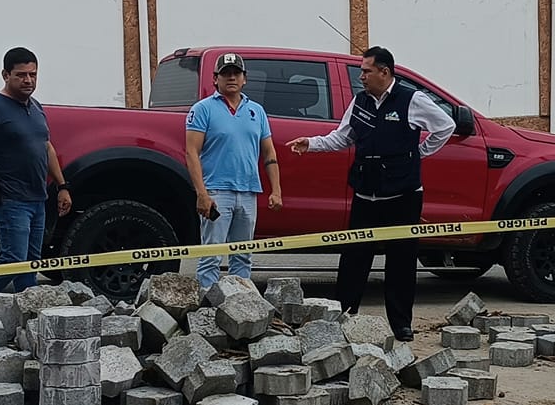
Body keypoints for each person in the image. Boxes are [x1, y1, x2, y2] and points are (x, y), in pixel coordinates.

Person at [288, 45, 454, 341]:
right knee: (354, 258)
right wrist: (311, 144)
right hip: (366, 194)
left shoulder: (411, 99)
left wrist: (418, 153)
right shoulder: (360, 101)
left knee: (401, 262)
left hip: (403, 196)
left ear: (384, 72)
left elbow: (445, 126)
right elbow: (342, 137)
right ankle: (344, 316)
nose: (361, 77)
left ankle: (401, 324)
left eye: (366, 71)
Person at [0, 46, 70, 322]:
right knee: (13, 261)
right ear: (5, 75)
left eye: (33, 74)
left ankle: (29, 320)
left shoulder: (36, 108)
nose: (28, 80)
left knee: (29, 265)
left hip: (37, 200)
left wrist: (62, 186)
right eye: (21, 75)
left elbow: (46, 147)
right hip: (9, 201)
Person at [185, 52, 283, 290]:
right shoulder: (203, 109)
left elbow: (269, 153)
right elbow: (191, 152)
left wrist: (276, 190)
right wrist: (202, 193)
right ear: (215, 79)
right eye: (225, 73)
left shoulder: (256, 111)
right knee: (211, 256)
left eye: (236, 73)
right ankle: (208, 301)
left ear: (244, 78)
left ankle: (240, 301)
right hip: (217, 192)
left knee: (243, 255)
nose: (231, 78)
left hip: (248, 191)